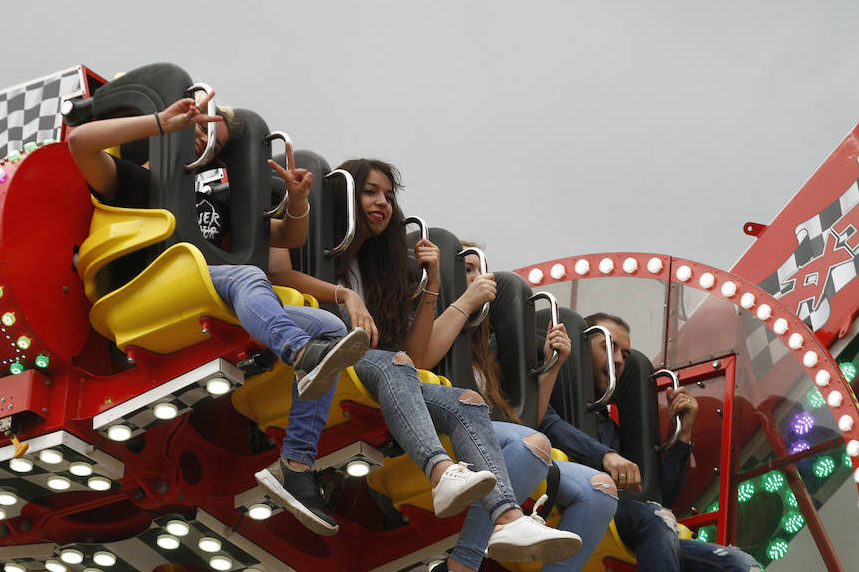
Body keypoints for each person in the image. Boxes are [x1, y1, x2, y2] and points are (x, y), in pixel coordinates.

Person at [67, 88, 369, 536]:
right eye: (194, 124)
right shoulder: (135, 178)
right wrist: (159, 125)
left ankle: (297, 464)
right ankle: (297, 352)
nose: (200, 134)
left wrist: (298, 199)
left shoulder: (216, 195)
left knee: (327, 326)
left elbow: (286, 237)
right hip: (146, 291)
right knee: (249, 279)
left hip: (205, 290)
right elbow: (79, 144)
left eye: (211, 131)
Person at [267, 158, 582, 562]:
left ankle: (507, 519)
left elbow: (416, 358)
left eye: (388, 195)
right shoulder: (320, 242)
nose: (382, 202)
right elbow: (279, 275)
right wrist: (344, 294)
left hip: (379, 366)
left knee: (468, 402)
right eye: (370, 192)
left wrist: (432, 284)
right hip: (328, 350)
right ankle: (440, 471)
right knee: (394, 363)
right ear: (344, 192)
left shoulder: (382, 268)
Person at [422, 246, 617, 572]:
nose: (477, 278)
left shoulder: (489, 349)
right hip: (447, 426)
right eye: (468, 269)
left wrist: (553, 366)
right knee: (532, 445)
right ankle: (462, 563)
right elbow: (420, 360)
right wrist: (465, 302)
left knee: (601, 490)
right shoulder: (430, 314)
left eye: (481, 271)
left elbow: (526, 422)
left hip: (498, 438)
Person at [539, 313, 761, 572]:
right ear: (580, 346)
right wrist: (605, 456)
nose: (619, 360)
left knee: (739, 563)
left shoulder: (611, 430)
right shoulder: (547, 392)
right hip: (569, 503)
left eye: (625, 354)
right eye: (609, 347)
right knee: (656, 520)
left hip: (634, 523)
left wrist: (683, 435)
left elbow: (657, 494)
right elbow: (545, 424)